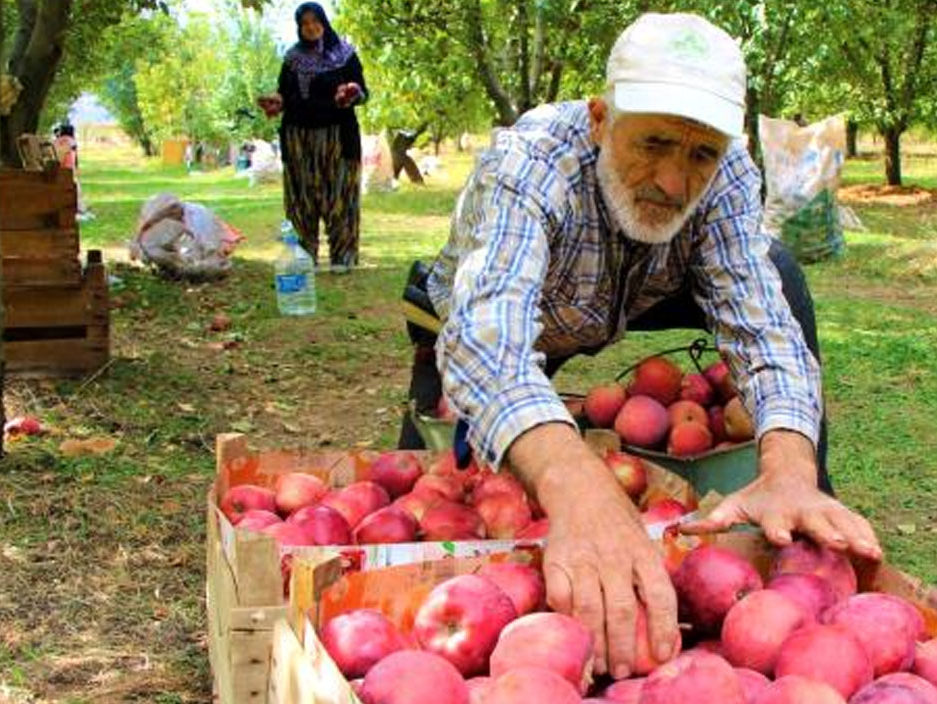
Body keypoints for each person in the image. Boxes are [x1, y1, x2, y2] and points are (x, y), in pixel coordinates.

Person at [400, 13, 881, 681]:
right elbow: (488, 338)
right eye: (652, 143)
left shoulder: (725, 175)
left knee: (782, 273)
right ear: (600, 120)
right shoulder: (530, 161)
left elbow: (762, 320)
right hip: (506, 307)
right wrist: (577, 486)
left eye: (699, 155)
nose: (674, 181)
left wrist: (791, 461)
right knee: (429, 479)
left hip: (641, 290)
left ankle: (799, 497)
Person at [258, 2, 368, 272]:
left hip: (338, 139)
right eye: (304, 23)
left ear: (323, 21)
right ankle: (303, 258)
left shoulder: (345, 54)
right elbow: (284, 93)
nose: (310, 27)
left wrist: (351, 93)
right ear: (299, 27)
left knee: (340, 197)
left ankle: (342, 258)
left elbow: (363, 92)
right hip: (299, 140)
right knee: (301, 200)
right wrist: (276, 101)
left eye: (315, 20)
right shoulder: (292, 58)